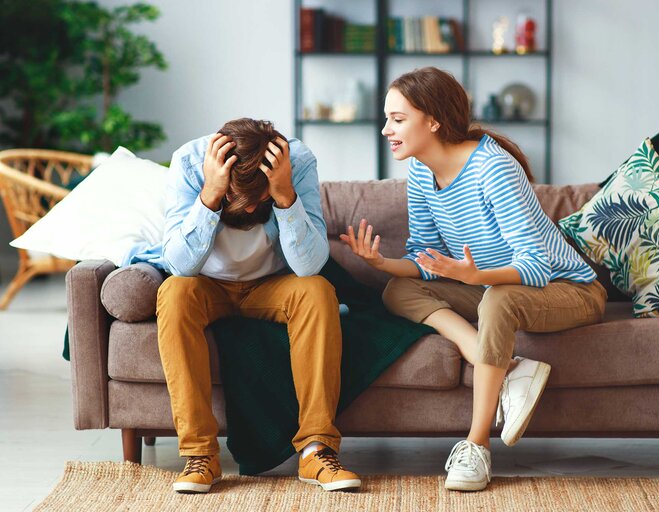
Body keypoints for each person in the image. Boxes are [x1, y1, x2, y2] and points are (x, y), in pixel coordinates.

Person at [340, 67, 607, 492]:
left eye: (397, 118)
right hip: (489, 285)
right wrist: (381, 264)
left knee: (497, 298)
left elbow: (535, 266)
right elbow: (425, 260)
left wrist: (476, 275)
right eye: (387, 118)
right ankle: (509, 367)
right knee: (400, 290)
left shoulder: (492, 169)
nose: (386, 129)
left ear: (433, 120)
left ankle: (477, 446)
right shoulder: (422, 175)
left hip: (568, 290)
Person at [136, 118, 360, 493]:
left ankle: (316, 450)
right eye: (240, 200)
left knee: (319, 290)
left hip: (272, 285)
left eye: (259, 200)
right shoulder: (189, 162)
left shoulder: (298, 161)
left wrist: (285, 195)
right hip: (208, 285)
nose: (252, 208)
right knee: (173, 291)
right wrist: (210, 194)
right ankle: (200, 455)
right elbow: (179, 265)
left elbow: (308, 266)